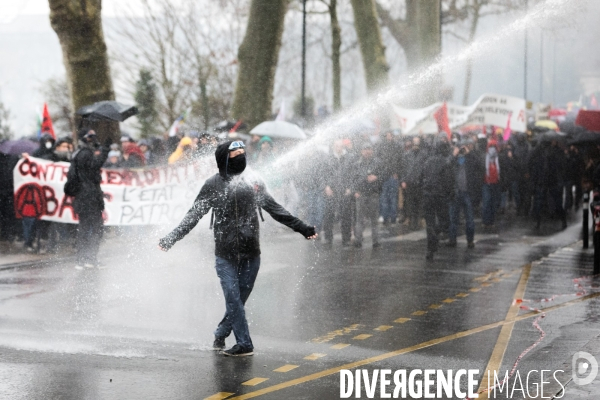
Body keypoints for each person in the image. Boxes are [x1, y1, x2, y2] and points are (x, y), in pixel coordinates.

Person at [158, 140, 317, 357]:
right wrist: (171, 238)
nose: (241, 156)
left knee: (238, 301)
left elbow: (275, 209)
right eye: (236, 154)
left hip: (252, 252)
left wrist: (303, 228)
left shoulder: (253, 181)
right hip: (225, 254)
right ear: (224, 159)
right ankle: (244, 344)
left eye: (243, 152)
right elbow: (193, 215)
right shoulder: (212, 185)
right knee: (233, 299)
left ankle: (221, 332)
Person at [70, 128, 110, 267]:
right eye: (90, 137)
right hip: (89, 197)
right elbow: (94, 167)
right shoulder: (85, 154)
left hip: (84, 197)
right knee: (95, 228)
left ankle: (83, 258)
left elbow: (72, 179)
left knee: (85, 228)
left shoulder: (78, 154)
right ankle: (89, 258)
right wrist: (104, 151)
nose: (93, 139)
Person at [420, 139, 453, 260]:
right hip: (440, 196)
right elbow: (449, 181)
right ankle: (436, 232)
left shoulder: (427, 162)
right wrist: (449, 193)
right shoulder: (445, 162)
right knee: (444, 221)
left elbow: (421, 177)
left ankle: (430, 250)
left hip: (427, 195)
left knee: (430, 223)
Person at [448, 140, 483, 249]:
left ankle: (470, 240)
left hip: (468, 192)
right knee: (453, 218)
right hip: (455, 192)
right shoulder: (453, 159)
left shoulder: (471, 159)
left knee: (469, 219)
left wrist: (469, 153)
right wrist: (454, 154)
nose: (462, 150)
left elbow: (480, 166)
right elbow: (446, 165)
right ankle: (452, 239)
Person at [322, 139, 353, 247]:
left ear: (343, 147)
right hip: (331, 190)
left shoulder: (349, 158)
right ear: (334, 147)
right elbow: (323, 174)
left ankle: (346, 238)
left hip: (344, 191)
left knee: (346, 215)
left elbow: (353, 174)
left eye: (340, 146)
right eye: (336, 146)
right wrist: (326, 187)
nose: (338, 148)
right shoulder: (328, 158)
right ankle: (328, 237)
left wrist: (350, 188)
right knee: (328, 215)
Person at [352, 142, 383, 248]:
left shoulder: (377, 163)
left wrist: (377, 178)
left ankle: (376, 241)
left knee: (374, 220)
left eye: (369, 149)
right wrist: (364, 179)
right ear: (361, 151)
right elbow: (354, 179)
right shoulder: (357, 164)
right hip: (361, 194)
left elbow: (383, 176)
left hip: (373, 194)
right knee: (359, 219)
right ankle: (358, 240)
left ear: (372, 151)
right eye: (365, 149)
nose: (367, 151)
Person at [377, 131, 402, 226]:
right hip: (384, 176)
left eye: (390, 135)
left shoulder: (397, 146)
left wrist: (397, 173)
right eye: (387, 135)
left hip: (393, 176)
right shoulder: (381, 147)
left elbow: (400, 161)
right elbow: (378, 161)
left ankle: (393, 218)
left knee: (393, 198)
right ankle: (385, 217)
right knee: (384, 198)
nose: (388, 137)